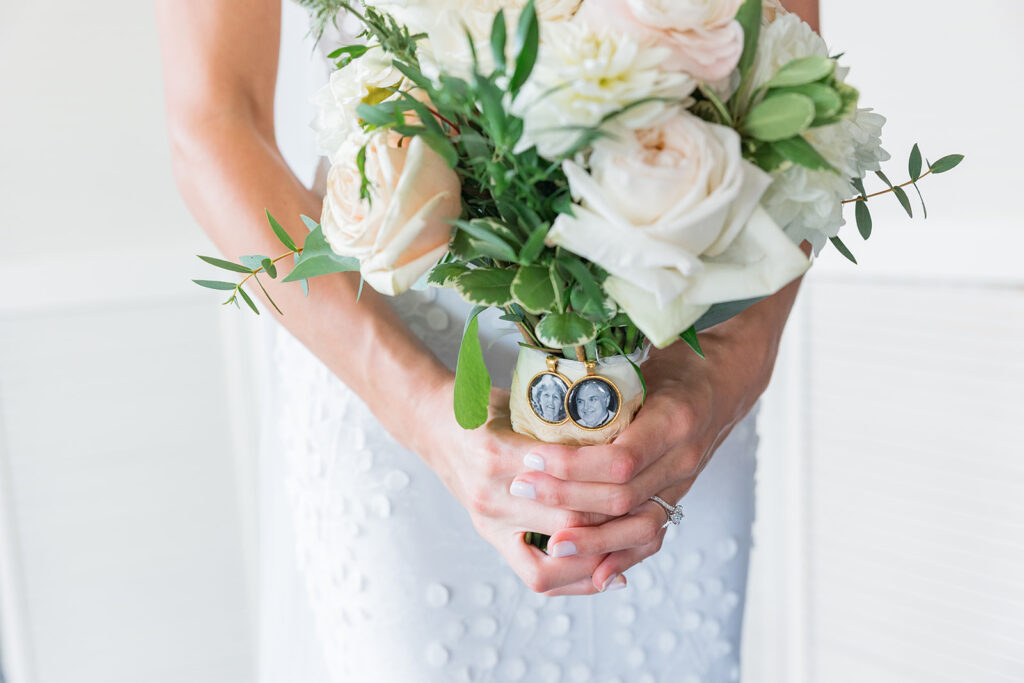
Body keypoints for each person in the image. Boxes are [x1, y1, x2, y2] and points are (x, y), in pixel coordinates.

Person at [155, 1, 818, 680]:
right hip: (390, 377)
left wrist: (722, 374)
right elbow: (215, 121)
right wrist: (422, 414)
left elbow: (796, 95)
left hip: (672, 371)